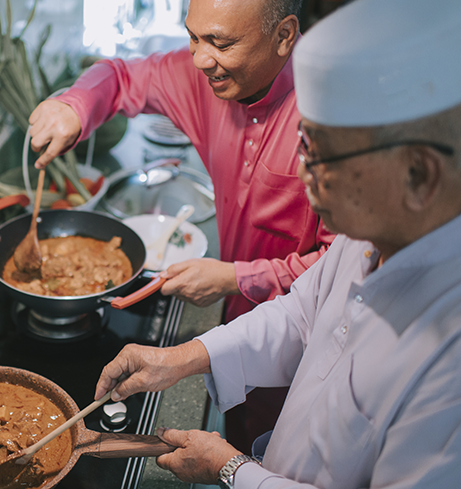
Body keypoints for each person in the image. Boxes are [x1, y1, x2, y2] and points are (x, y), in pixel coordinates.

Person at [93, 0, 461, 489]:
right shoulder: (370, 236)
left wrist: (231, 470)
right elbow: (303, 315)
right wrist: (183, 356)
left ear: (419, 175)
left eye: (322, 155)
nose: (304, 173)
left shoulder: (449, 360)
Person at [28, 0, 334, 453]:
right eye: (193, 37)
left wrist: (235, 276)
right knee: (240, 442)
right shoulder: (210, 78)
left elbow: (345, 265)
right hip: (233, 328)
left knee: (284, 457)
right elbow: (122, 76)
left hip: (312, 350)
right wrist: (74, 106)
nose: (200, 59)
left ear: (284, 35)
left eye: (221, 43)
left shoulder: (333, 114)